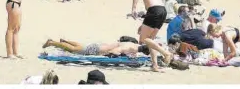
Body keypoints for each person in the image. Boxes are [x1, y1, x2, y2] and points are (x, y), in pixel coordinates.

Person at [42, 37, 172, 67]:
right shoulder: (131, 48)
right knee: (75, 50)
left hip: (99, 46)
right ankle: (52, 42)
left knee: (81, 46)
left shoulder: (132, 44)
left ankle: (66, 40)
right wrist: (114, 55)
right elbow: (116, 50)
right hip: (99, 49)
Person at [131, 0, 167, 72]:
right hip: (163, 10)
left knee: (143, 39)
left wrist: (134, 8)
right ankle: (155, 65)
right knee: (151, 40)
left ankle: (165, 53)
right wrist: (143, 24)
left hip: (154, 10)